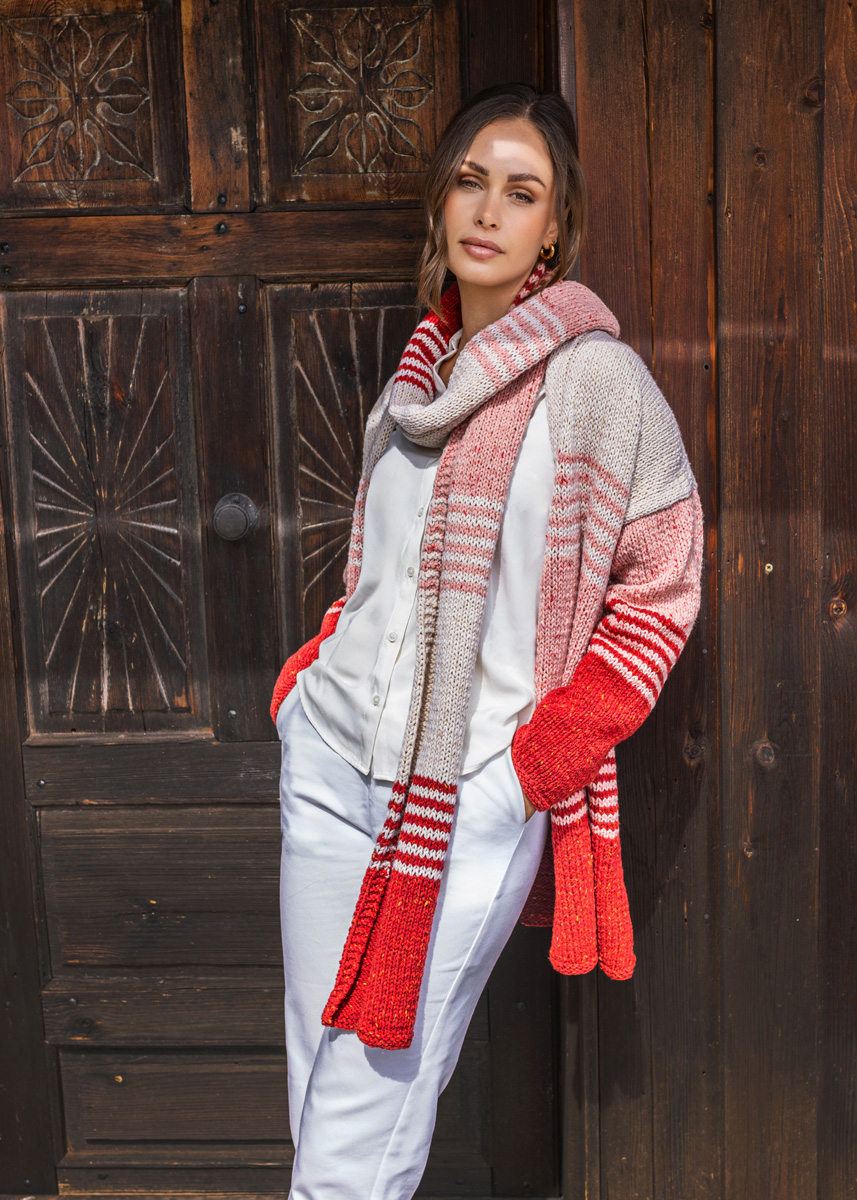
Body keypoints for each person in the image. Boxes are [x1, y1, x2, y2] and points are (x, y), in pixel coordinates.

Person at [270, 82, 703, 1200]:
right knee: (319, 1085)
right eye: (469, 182)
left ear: (552, 228)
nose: (488, 210)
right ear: (441, 203)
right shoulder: (417, 380)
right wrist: (307, 679)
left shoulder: (595, 382)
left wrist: (533, 766)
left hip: (464, 797)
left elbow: (662, 586)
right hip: (330, 767)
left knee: (363, 1117)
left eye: (521, 192)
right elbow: (376, 574)